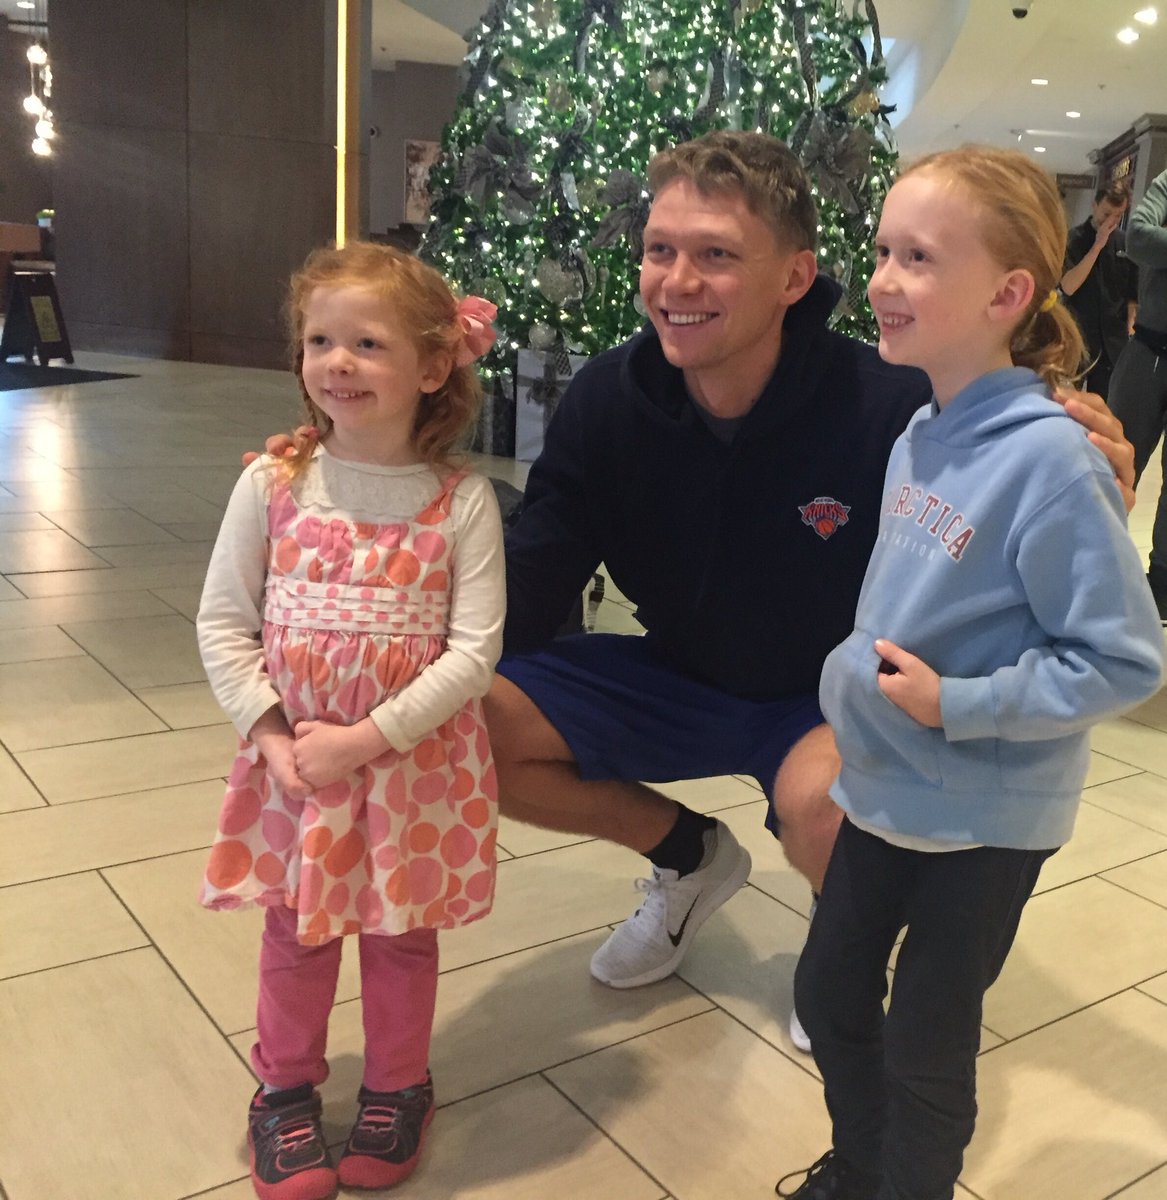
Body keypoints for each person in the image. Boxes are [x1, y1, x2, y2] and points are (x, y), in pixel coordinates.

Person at [255, 134, 1134, 1041]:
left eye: (715, 256)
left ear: (794, 278)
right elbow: (533, 578)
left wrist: (1075, 443)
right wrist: (374, 563)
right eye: (659, 250)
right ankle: (689, 860)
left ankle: (842, 958)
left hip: (825, 698)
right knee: (462, 725)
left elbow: (1007, 487)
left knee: (826, 811)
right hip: (674, 671)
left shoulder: (896, 401)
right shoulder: (607, 400)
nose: (675, 280)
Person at [779, 146, 1164, 1200]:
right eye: (885, 251)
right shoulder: (922, 430)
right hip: (886, 786)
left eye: (919, 259)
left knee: (925, 1045)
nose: (885, 281)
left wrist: (961, 705)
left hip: (986, 819)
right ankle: (862, 1168)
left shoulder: (1051, 461)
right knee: (829, 991)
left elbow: (1126, 658)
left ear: (1007, 294)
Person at [198, 241, 505, 1200]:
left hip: (412, 769)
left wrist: (366, 741)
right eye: (319, 339)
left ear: (431, 365)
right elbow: (222, 621)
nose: (336, 361)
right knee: (295, 932)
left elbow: (474, 651)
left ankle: (396, 1085)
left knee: (401, 934)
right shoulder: (273, 485)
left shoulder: (461, 503)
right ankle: (283, 1089)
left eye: (366, 343)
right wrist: (275, 736)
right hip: (295, 770)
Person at [1106, 168, 1167, 618]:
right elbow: (1139, 237)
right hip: (1148, 348)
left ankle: (1162, 583)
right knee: (1112, 464)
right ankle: (1091, 568)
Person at [1060, 178, 1137, 400]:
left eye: (1118, 216)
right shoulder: (1072, 239)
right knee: (1068, 404)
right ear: (1094, 205)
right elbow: (1068, 287)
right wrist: (1097, 246)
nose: (1111, 222)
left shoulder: (1125, 244)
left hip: (1114, 343)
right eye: (1106, 214)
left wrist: (1131, 328)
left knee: (1103, 410)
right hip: (1078, 338)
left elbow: (1133, 296)